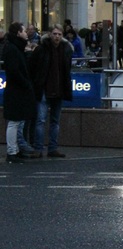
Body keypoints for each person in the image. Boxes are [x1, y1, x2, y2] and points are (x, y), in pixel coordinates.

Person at [29, 24, 74, 158]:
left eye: (59, 34)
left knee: (55, 121)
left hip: (59, 90)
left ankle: (52, 148)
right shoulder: (41, 49)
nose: (57, 37)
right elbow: (32, 68)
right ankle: (38, 148)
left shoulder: (65, 50)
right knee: (40, 120)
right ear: (49, 34)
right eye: (54, 34)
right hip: (44, 89)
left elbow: (67, 71)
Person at [3, 22, 37, 163]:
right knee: (14, 122)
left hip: (18, 89)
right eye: (23, 31)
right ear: (18, 33)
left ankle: (15, 150)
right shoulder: (12, 48)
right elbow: (15, 71)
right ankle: (12, 151)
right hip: (16, 90)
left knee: (18, 121)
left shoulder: (16, 47)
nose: (26, 33)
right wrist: (26, 83)